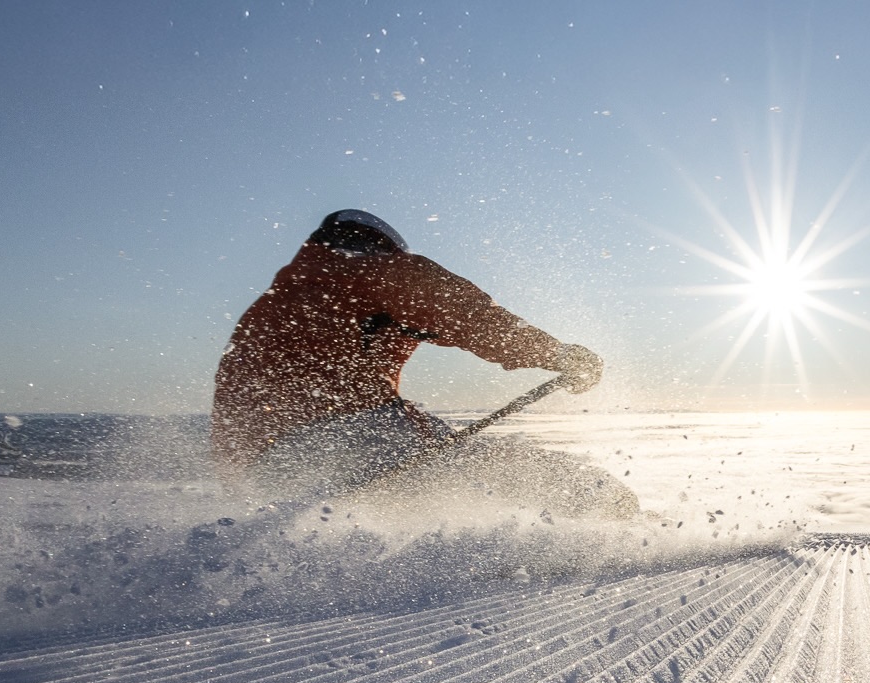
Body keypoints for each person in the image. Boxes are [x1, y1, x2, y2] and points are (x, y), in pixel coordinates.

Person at [211, 209, 603, 492]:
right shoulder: (376, 272)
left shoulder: (274, 302)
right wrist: (558, 355)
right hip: (347, 434)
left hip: (258, 465)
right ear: (386, 247)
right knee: (494, 472)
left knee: (412, 491)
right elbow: (468, 316)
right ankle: (601, 524)